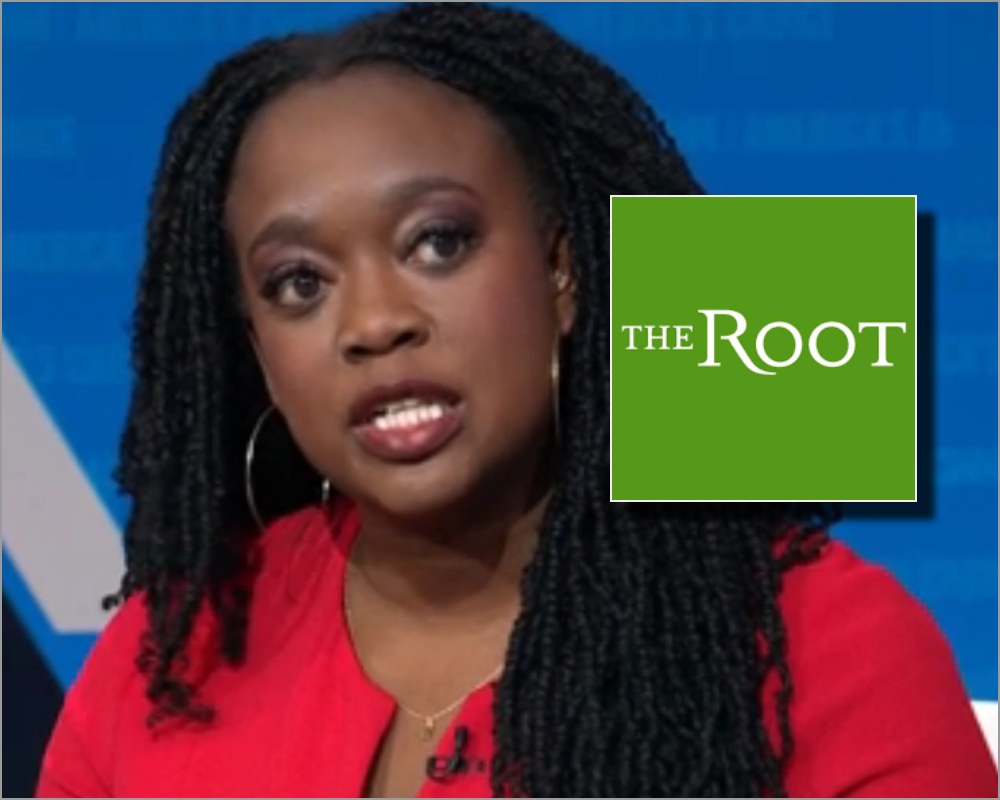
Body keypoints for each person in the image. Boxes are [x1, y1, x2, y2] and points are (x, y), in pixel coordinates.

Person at [36, 3, 996, 798]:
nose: (373, 322)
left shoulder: (827, 649)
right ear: (256, 347)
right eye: (299, 283)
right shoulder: (169, 656)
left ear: (562, 270)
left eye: (438, 242)